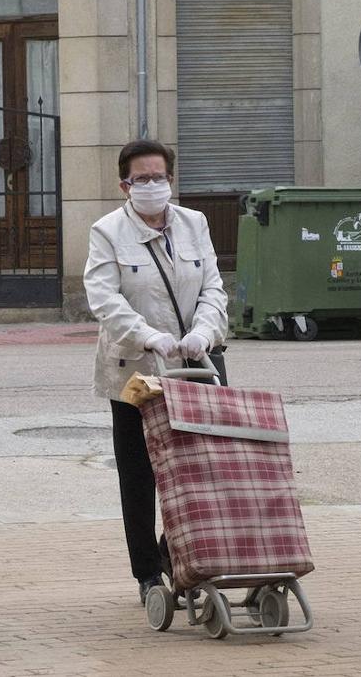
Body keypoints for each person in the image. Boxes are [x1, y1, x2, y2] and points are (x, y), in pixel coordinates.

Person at [82, 139, 228, 604]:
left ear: (171, 179)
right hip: (136, 368)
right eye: (141, 179)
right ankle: (147, 573)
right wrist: (149, 336)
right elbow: (104, 298)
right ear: (124, 184)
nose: (151, 186)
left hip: (196, 363)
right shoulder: (107, 232)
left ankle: (179, 554)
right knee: (140, 472)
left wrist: (206, 330)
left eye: (158, 177)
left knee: (204, 467)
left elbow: (213, 285)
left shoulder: (194, 223)